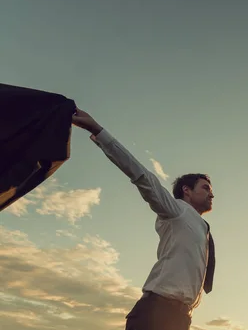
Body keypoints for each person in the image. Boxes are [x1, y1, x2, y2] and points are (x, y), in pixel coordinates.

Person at [71, 108, 216, 330]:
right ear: (186, 190)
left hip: (181, 318)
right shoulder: (177, 210)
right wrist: (98, 132)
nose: (211, 193)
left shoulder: (202, 228)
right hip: (156, 312)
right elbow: (142, 176)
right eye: (205, 188)